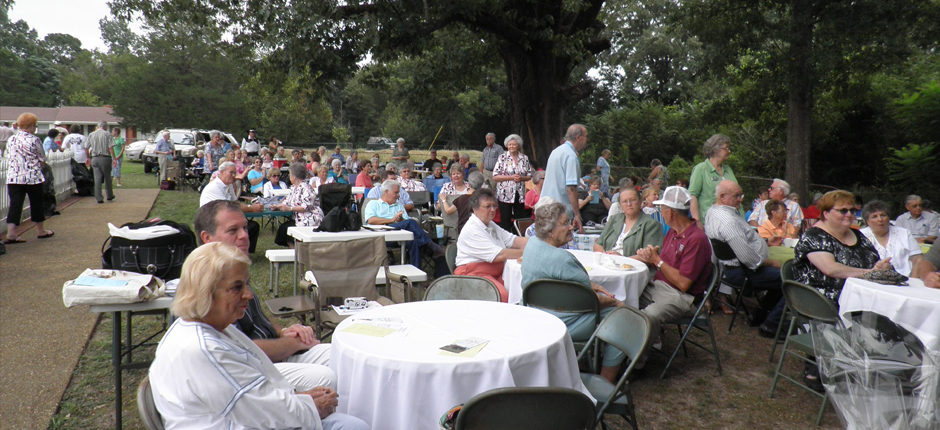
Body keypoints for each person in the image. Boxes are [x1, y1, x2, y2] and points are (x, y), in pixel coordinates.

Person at [149, 242, 367, 430]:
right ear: (205, 292)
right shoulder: (202, 349)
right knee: (353, 426)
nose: (248, 294)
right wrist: (312, 407)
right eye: (237, 287)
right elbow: (263, 411)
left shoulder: (210, 329)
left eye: (246, 284)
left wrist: (302, 398)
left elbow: (257, 398)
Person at [194, 201, 338, 391]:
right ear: (207, 238)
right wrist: (292, 343)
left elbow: (258, 320)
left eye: (245, 228)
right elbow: (240, 350)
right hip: (250, 370)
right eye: (233, 230)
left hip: (274, 354)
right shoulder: (208, 284)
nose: (244, 235)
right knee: (325, 377)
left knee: (340, 356)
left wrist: (283, 331)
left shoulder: (233, 270)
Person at [522, 201, 625, 383]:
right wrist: (615, 302)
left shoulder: (532, 245)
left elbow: (557, 279)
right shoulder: (563, 259)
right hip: (562, 321)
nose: (571, 227)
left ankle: (583, 362)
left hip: (534, 314)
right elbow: (590, 301)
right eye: (565, 224)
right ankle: (605, 382)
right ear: (550, 231)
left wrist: (591, 284)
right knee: (621, 318)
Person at [631, 186, 713, 368]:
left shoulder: (696, 239)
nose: (661, 213)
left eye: (662, 209)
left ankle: (635, 364)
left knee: (650, 315)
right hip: (660, 287)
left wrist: (657, 260)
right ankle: (620, 350)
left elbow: (684, 284)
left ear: (671, 212)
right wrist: (651, 256)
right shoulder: (673, 232)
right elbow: (665, 261)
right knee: (626, 296)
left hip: (683, 297)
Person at [705, 180, 786, 337]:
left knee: (783, 278)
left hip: (736, 270)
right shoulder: (728, 221)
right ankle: (771, 325)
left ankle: (759, 315)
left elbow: (741, 242)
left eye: (740, 195)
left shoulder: (713, 211)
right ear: (722, 197)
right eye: (737, 196)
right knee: (791, 279)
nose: (741, 199)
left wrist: (764, 241)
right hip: (744, 273)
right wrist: (771, 262)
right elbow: (750, 260)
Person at [792, 190, 891, 302]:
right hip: (824, 300)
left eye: (852, 210)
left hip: (863, 294)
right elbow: (831, 269)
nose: (849, 214)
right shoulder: (814, 236)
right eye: (843, 211)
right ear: (826, 213)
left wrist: (882, 267)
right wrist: (869, 273)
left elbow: (874, 261)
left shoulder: (858, 234)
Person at [454, 188, 528, 301]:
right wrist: (531, 251)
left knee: (520, 285)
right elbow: (500, 255)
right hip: (473, 275)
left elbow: (513, 240)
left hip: (495, 272)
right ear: (475, 209)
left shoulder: (489, 224)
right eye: (488, 206)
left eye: (494, 206)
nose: (493, 210)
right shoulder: (472, 229)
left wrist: (540, 244)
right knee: (502, 296)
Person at [364, 180, 445, 268]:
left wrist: (400, 219)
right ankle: (433, 247)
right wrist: (391, 220)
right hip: (381, 236)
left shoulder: (398, 205)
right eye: (396, 192)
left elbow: (407, 224)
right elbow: (370, 220)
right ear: (386, 192)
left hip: (398, 236)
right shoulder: (373, 203)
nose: (398, 195)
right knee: (410, 222)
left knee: (414, 240)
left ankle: (416, 270)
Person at [4, 112, 55, 244]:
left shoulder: (11, 139)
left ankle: (11, 233)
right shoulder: (34, 140)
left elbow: (8, 155)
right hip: (32, 177)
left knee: (15, 205)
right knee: (36, 203)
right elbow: (42, 158)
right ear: (31, 126)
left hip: (14, 177)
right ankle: (40, 231)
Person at [200, 162, 263, 252]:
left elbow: (235, 203)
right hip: (212, 222)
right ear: (221, 172)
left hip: (223, 219)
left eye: (235, 173)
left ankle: (243, 252)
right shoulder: (215, 187)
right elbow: (229, 208)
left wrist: (251, 206)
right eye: (231, 173)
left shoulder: (228, 185)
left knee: (252, 226)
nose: (234, 176)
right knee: (239, 228)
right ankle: (232, 252)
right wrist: (253, 208)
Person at [542, 124, 590, 232]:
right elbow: (571, 188)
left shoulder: (556, 151)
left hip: (546, 206)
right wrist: (577, 215)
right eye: (586, 136)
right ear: (578, 137)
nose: (587, 139)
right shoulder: (571, 156)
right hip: (559, 211)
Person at [593, 187, 663, 259]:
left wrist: (621, 259)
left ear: (640, 202)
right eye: (624, 201)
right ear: (620, 205)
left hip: (631, 265)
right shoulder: (614, 219)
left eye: (632, 200)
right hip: (607, 262)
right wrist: (607, 256)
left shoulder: (651, 225)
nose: (629, 204)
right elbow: (598, 245)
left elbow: (650, 256)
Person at [859, 200, 923, 277]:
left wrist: (913, 280)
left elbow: (918, 259)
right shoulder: (860, 236)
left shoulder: (904, 233)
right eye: (874, 217)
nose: (880, 219)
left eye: (883, 215)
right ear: (867, 221)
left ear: (888, 218)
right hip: (870, 280)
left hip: (905, 280)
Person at [689, 134, 738, 227]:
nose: (729, 151)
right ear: (716, 150)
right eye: (726, 148)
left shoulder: (728, 170)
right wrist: (697, 222)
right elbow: (692, 196)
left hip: (732, 222)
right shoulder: (701, 169)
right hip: (709, 223)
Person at [275, 163, 325, 247]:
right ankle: (295, 250)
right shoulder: (294, 187)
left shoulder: (307, 188)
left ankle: (298, 250)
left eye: (290, 174)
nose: (289, 177)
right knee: (283, 229)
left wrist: (290, 208)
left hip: (310, 218)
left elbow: (306, 207)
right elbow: (287, 201)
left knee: (286, 229)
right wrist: (277, 206)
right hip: (300, 218)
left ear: (294, 176)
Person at [492, 134, 532, 231]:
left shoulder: (524, 158)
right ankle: (505, 238)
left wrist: (521, 178)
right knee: (505, 220)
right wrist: (511, 177)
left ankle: (519, 236)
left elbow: (529, 175)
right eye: (509, 145)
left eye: (514, 144)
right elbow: (495, 176)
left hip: (519, 193)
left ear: (518, 146)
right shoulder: (502, 158)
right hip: (505, 194)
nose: (511, 146)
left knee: (520, 219)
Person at [87, 121, 115, 204]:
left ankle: (98, 197)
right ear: (105, 127)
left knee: (97, 178)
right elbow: (110, 147)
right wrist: (114, 158)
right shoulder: (107, 134)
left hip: (95, 158)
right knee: (107, 177)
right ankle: (109, 195)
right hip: (105, 157)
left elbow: (86, 147)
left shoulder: (91, 134)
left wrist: (88, 157)